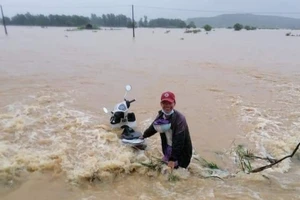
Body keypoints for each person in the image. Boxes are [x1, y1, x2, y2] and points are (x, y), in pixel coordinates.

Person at [141, 91, 193, 169]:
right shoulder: (161, 115)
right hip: (168, 148)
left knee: (178, 172)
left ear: (174, 103)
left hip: (181, 151)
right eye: (164, 103)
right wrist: (143, 136)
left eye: (169, 103)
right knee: (164, 169)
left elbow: (179, 141)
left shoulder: (180, 119)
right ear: (161, 104)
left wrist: (172, 159)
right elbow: (153, 127)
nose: (167, 106)